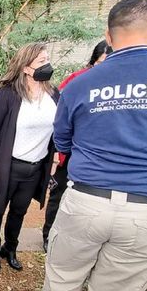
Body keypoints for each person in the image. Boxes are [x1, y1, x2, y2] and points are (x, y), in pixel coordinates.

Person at [32, 0, 147, 291]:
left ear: (108, 35)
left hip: (86, 202)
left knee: (61, 283)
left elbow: (61, 140)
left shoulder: (82, 84)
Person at [0, 43, 59, 272]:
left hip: (35, 168)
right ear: (26, 68)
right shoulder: (7, 95)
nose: (47, 65)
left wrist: (54, 160)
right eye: (41, 62)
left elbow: (59, 130)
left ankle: (10, 248)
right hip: (7, 167)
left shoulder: (53, 94)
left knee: (19, 211)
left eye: (47, 59)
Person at [42, 40, 112, 252]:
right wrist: (59, 152)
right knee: (58, 194)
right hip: (72, 152)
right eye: (101, 62)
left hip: (102, 157)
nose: (106, 67)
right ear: (93, 61)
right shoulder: (78, 81)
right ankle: (48, 236)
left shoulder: (122, 86)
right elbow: (60, 119)